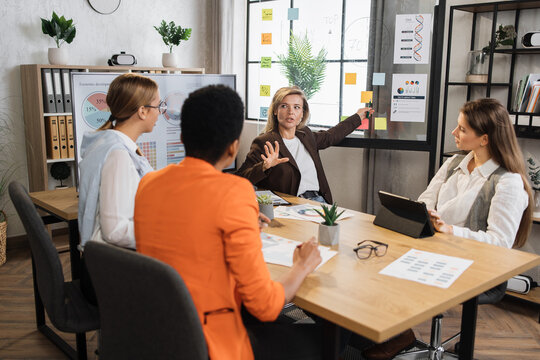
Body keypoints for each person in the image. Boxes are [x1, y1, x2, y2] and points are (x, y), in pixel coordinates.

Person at [134, 85, 326, 360]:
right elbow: (266, 306)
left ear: (182, 135)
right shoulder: (234, 193)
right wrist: (302, 265)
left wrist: (242, 224)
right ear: (233, 146)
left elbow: (192, 229)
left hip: (159, 331)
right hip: (212, 342)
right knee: (333, 337)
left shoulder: (148, 184)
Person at [362, 98, 533, 360]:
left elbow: (500, 243)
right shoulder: (454, 164)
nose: (454, 133)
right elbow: (426, 200)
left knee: (391, 272)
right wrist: (422, 213)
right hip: (435, 249)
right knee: (373, 259)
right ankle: (390, 335)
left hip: (475, 266)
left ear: (484, 139)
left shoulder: (507, 182)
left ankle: (397, 337)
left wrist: (451, 230)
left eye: (462, 129)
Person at [237, 86, 374, 203]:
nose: (291, 112)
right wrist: (264, 166)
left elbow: (331, 136)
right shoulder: (264, 142)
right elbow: (240, 178)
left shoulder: (305, 135)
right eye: (284, 106)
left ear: (302, 113)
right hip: (292, 205)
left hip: (319, 202)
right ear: (275, 110)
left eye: (296, 107)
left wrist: (357, 117)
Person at [78, 73, 163, 249]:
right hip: (117, 261)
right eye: (158, 106)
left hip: (109, 255)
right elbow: (115, 231)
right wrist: (164, 232)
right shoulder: (118, 155)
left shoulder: (106, 142)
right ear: (142, 111)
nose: (160, 113)